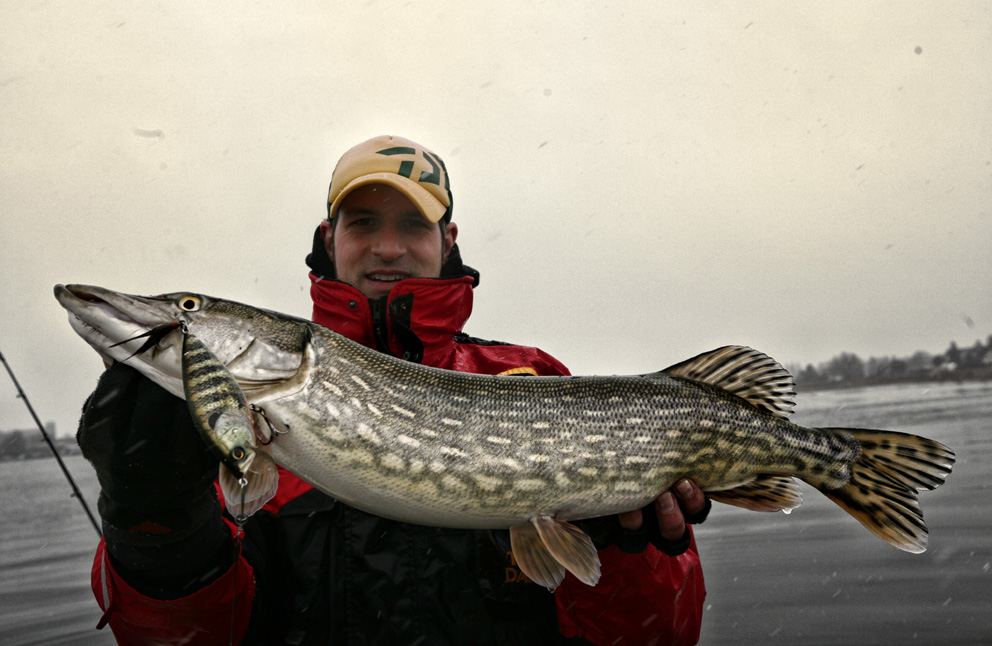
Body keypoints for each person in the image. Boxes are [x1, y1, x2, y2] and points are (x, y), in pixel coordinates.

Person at [77, 135, 709, 645]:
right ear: (329, 239)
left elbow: (660, 637)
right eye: (363, 223)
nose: (387, 247)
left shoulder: (531, 380)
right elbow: (182, 640)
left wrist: (627, 555)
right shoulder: (227, 434)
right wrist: (153, 521)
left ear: (447, 241)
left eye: (412, 223)